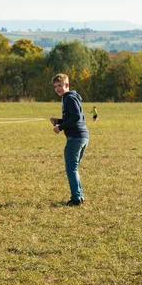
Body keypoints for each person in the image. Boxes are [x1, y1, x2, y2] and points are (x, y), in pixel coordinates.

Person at [50, 73, 89, 206]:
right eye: (55, 87)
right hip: (82, 137)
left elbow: (76, 117)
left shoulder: (69, 98)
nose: (57, 89)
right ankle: (79, 196)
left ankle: (76, 198)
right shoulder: (71, 97)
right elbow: (72, 117)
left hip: (75, 138)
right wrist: (59, 120)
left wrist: (60, 127)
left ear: (67, 85)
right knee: (74, 168)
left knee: (71, 168)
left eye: (60, 85)